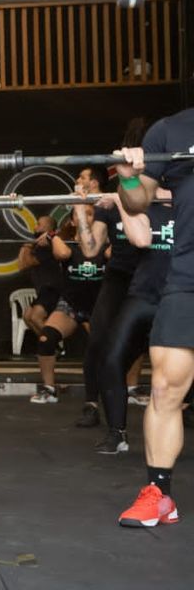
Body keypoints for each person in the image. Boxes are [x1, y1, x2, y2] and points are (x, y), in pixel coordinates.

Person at [114, 109, 194, 528]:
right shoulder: (170, 131)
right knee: (164, 386)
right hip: (188, 277)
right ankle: (159, 495)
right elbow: (138, 199)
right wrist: (129, 177)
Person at [95, 188, 173, 455]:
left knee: (174, 374)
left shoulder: (188, 207)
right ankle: (117, 433)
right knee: (111, 360)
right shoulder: (143, 207)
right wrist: (120, 200)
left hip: (179, 299)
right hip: (143, 296)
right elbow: (140, 239)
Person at [79, 127, 147, 428]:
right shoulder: (108, 205)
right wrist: (80, 210)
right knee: (98, 341)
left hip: (152, 275)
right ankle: (92, 405)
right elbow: (90, 250)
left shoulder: (156, 194)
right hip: (119, 276)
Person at [30, 186, 107, 405]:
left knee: (106, 347)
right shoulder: (65, 244)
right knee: (46, 339)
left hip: (98, 305)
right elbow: (62, 254)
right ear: (73, 220)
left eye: (91, 214)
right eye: (82, 214)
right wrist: (52, 235)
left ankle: (119, 389)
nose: (87, 218)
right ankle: (49, 389)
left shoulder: (106, 245)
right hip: (71, 305)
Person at [18, 215, 63, 335]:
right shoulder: (37, 245)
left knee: (35, 317)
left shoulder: (47, 245)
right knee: (27, 317)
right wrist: (25, 246)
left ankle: (52, 342)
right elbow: (21, 266)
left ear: (48, 228)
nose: (35, 227)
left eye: (38, 224)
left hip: (52, 289)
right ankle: (47, 343)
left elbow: (27, 263)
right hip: (43, 290)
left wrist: (27, 246)